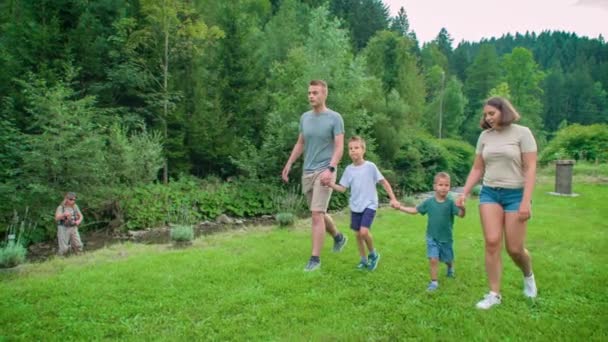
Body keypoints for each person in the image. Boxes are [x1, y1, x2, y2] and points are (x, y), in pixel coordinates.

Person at [457, 96, 538, 310]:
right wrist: (464, 192)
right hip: (490, 193)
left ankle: (528, 275)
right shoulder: (485, 136)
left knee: (514, 249)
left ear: (504, 111)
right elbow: (477, 168)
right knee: (492, 242)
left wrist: (526, 201)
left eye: (491, 113)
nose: (488, 118)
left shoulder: (523, 133)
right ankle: (494, 294)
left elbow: (530, 169)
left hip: (515, 194)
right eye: (485, 115)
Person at [282, 80, 348, 272]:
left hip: (325, 171)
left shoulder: (335, 118)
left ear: (324, 94)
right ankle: (338, 237)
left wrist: (331, 168)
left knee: (316, 214)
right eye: (309, 93)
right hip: (307, 171)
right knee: (319, 211)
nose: (311, 96)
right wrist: (289, 163)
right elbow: (300, 143)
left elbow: (339, 147)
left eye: (315, 93)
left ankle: (315, 259)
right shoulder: (305, 118)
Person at [327, 136, 400, 271]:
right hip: (355, 206)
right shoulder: (349, 169)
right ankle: (363, 260)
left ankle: (373, 254)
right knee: (357, 235)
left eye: (356, 148)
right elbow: (343, 188)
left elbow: (384, 182)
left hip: (370, 204)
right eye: (350, 148)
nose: (353, 151)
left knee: (364, 232)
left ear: (363, 150)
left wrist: (393, 198)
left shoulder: (370, 167)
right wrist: (330, 184)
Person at [396, 172, 465, 291]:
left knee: (447, 259)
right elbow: (414, 210)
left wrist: (463, 207)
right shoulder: (429, 202)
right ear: (435, 186)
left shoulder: (450, 203)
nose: (443, 187)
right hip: (432, 237)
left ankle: (450, 267)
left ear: (449, 187)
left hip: (446, 238)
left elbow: (461, 215)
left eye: (446, 185)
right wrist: (400, 207)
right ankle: (434, 282)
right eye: (441, 184)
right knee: (433, 259)